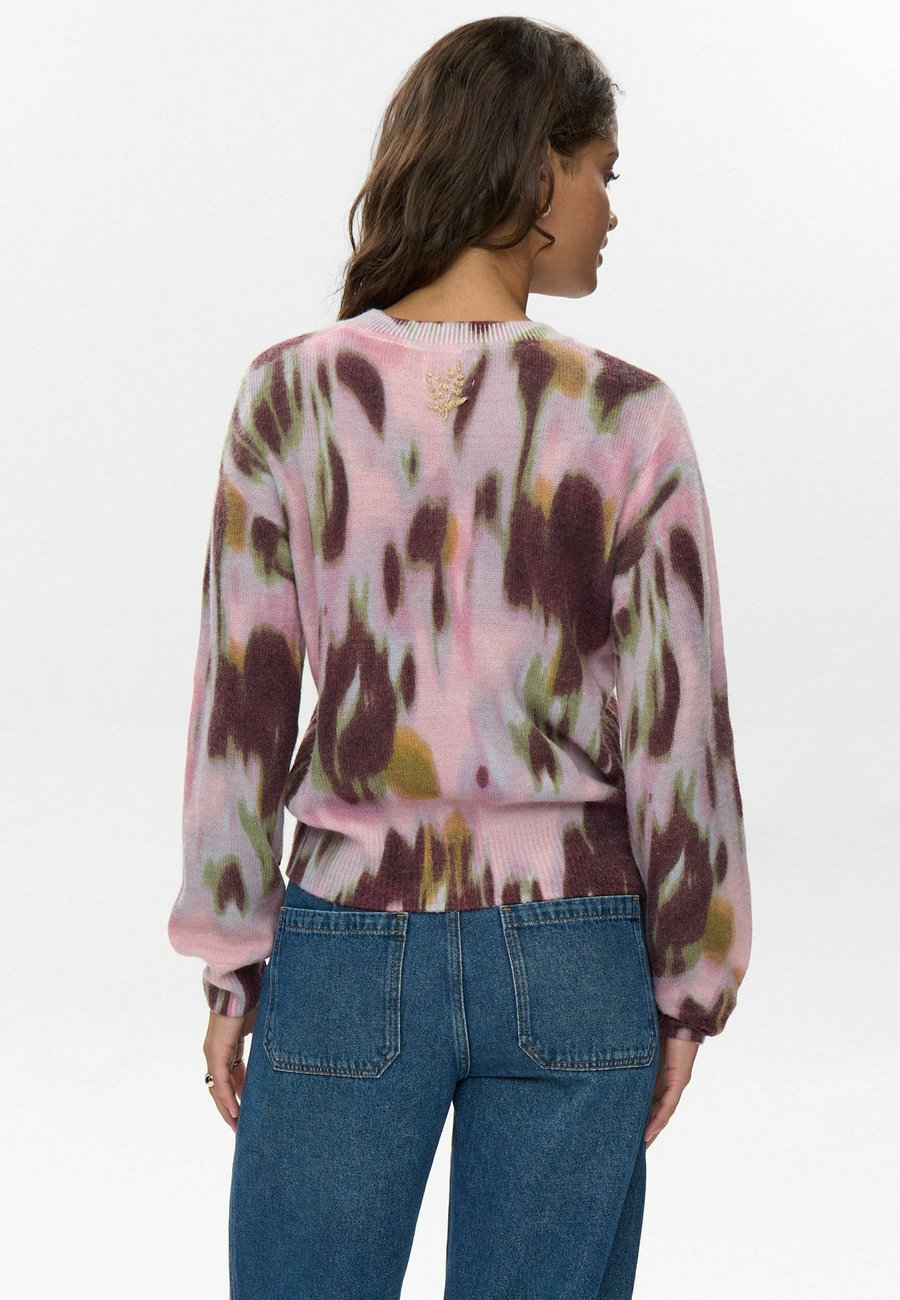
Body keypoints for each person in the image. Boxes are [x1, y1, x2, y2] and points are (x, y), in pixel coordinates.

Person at [167, 16, 752, 1299]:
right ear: (533, 168)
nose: (610, 207)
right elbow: (679, 727)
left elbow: (240, 704)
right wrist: (690, 977)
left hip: (346, 940)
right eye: (600, 169)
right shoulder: (626, 417)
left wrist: (233, 958)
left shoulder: (289, 396)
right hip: (576, 947)